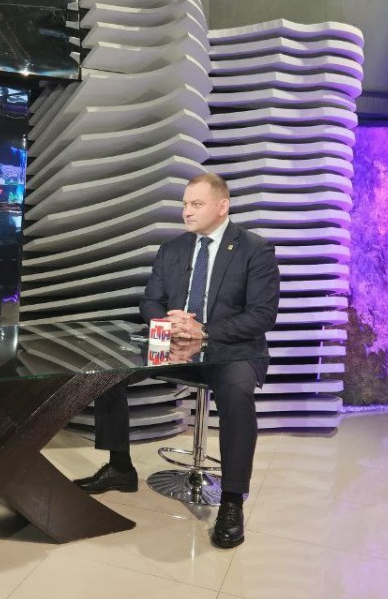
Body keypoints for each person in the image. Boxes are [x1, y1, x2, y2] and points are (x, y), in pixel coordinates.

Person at [72, 172, 280, 549]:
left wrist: (204, 331)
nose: (187, 212)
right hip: (174, 346)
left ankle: (232, 501)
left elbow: (262, 316)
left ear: (222, 206)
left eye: (196, 204)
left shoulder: (255, 249)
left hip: (231, 350)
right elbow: (149, 301)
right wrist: (169, 323)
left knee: (236, 395)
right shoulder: (172, 250)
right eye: (185, 204)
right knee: (109, 371)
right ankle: (120, 467)